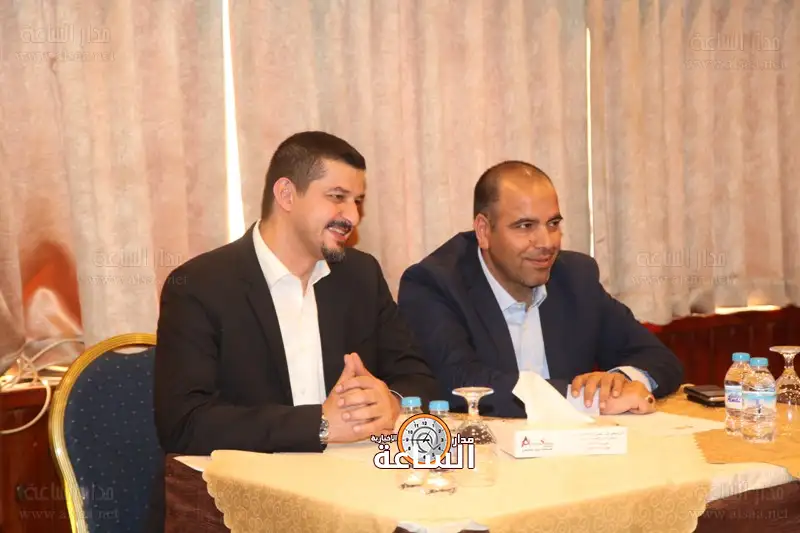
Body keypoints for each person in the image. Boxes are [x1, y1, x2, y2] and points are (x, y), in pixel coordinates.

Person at [154, 131, 437, 455]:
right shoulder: (199, 286)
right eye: (337, 197)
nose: (353, 217)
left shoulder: (360, 276)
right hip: (246, 481)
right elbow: (184, 424)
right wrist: (318, 425)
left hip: (353, 476)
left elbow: (419, 379)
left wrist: (391, 401)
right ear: (286, 195)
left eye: (357, 201)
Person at [397, 161, 684, 418]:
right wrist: (587, 399)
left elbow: (659, 358)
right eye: (525, 226)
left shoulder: (575, 277)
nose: (547, 242)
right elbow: (459, 382)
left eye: (553, 223)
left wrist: (620, 381)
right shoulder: (435, 283)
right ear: (483, 231)